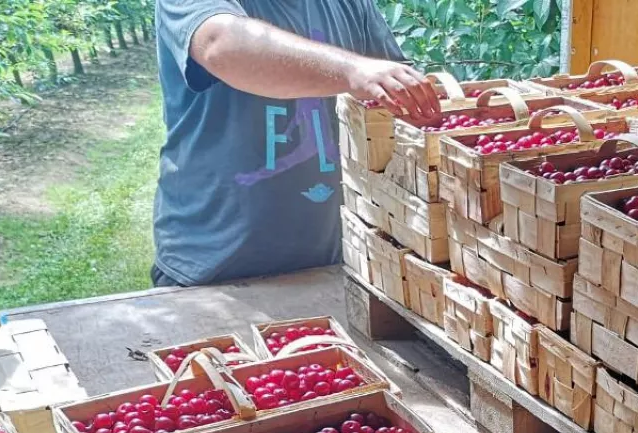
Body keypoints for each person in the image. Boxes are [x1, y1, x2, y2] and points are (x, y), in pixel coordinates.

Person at [152, 0, 440, 287]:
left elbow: (393, 92)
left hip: (338, 263)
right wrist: (353, 70)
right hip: (215, 272)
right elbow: (220, 45)